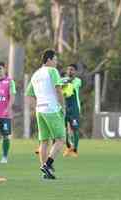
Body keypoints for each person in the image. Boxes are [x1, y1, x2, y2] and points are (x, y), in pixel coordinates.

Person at [26, 49, 65, 179]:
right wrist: (62, 106)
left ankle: (45, 172)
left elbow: (29, 95)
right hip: (51, 109)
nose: (56, 62)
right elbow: (58, 89)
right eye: (55, 59)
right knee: (60, 139)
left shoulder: (35, 74)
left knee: (44, 142)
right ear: (49, 60)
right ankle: (47, 165)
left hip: (40, 110)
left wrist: (35, 107)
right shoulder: (52, 71)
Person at [61, 64, 82, 157]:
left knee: (75, 129)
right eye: (68, 69)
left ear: (75, 72)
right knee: (62, 129)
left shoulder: (78, 81)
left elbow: (71, 87)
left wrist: (65, 82)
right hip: (64, 108)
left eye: (72, 70)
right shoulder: (62, 80)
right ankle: (68, 147)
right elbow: (59, 87)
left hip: (74, 109)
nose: (70, 71)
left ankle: (75, 150)